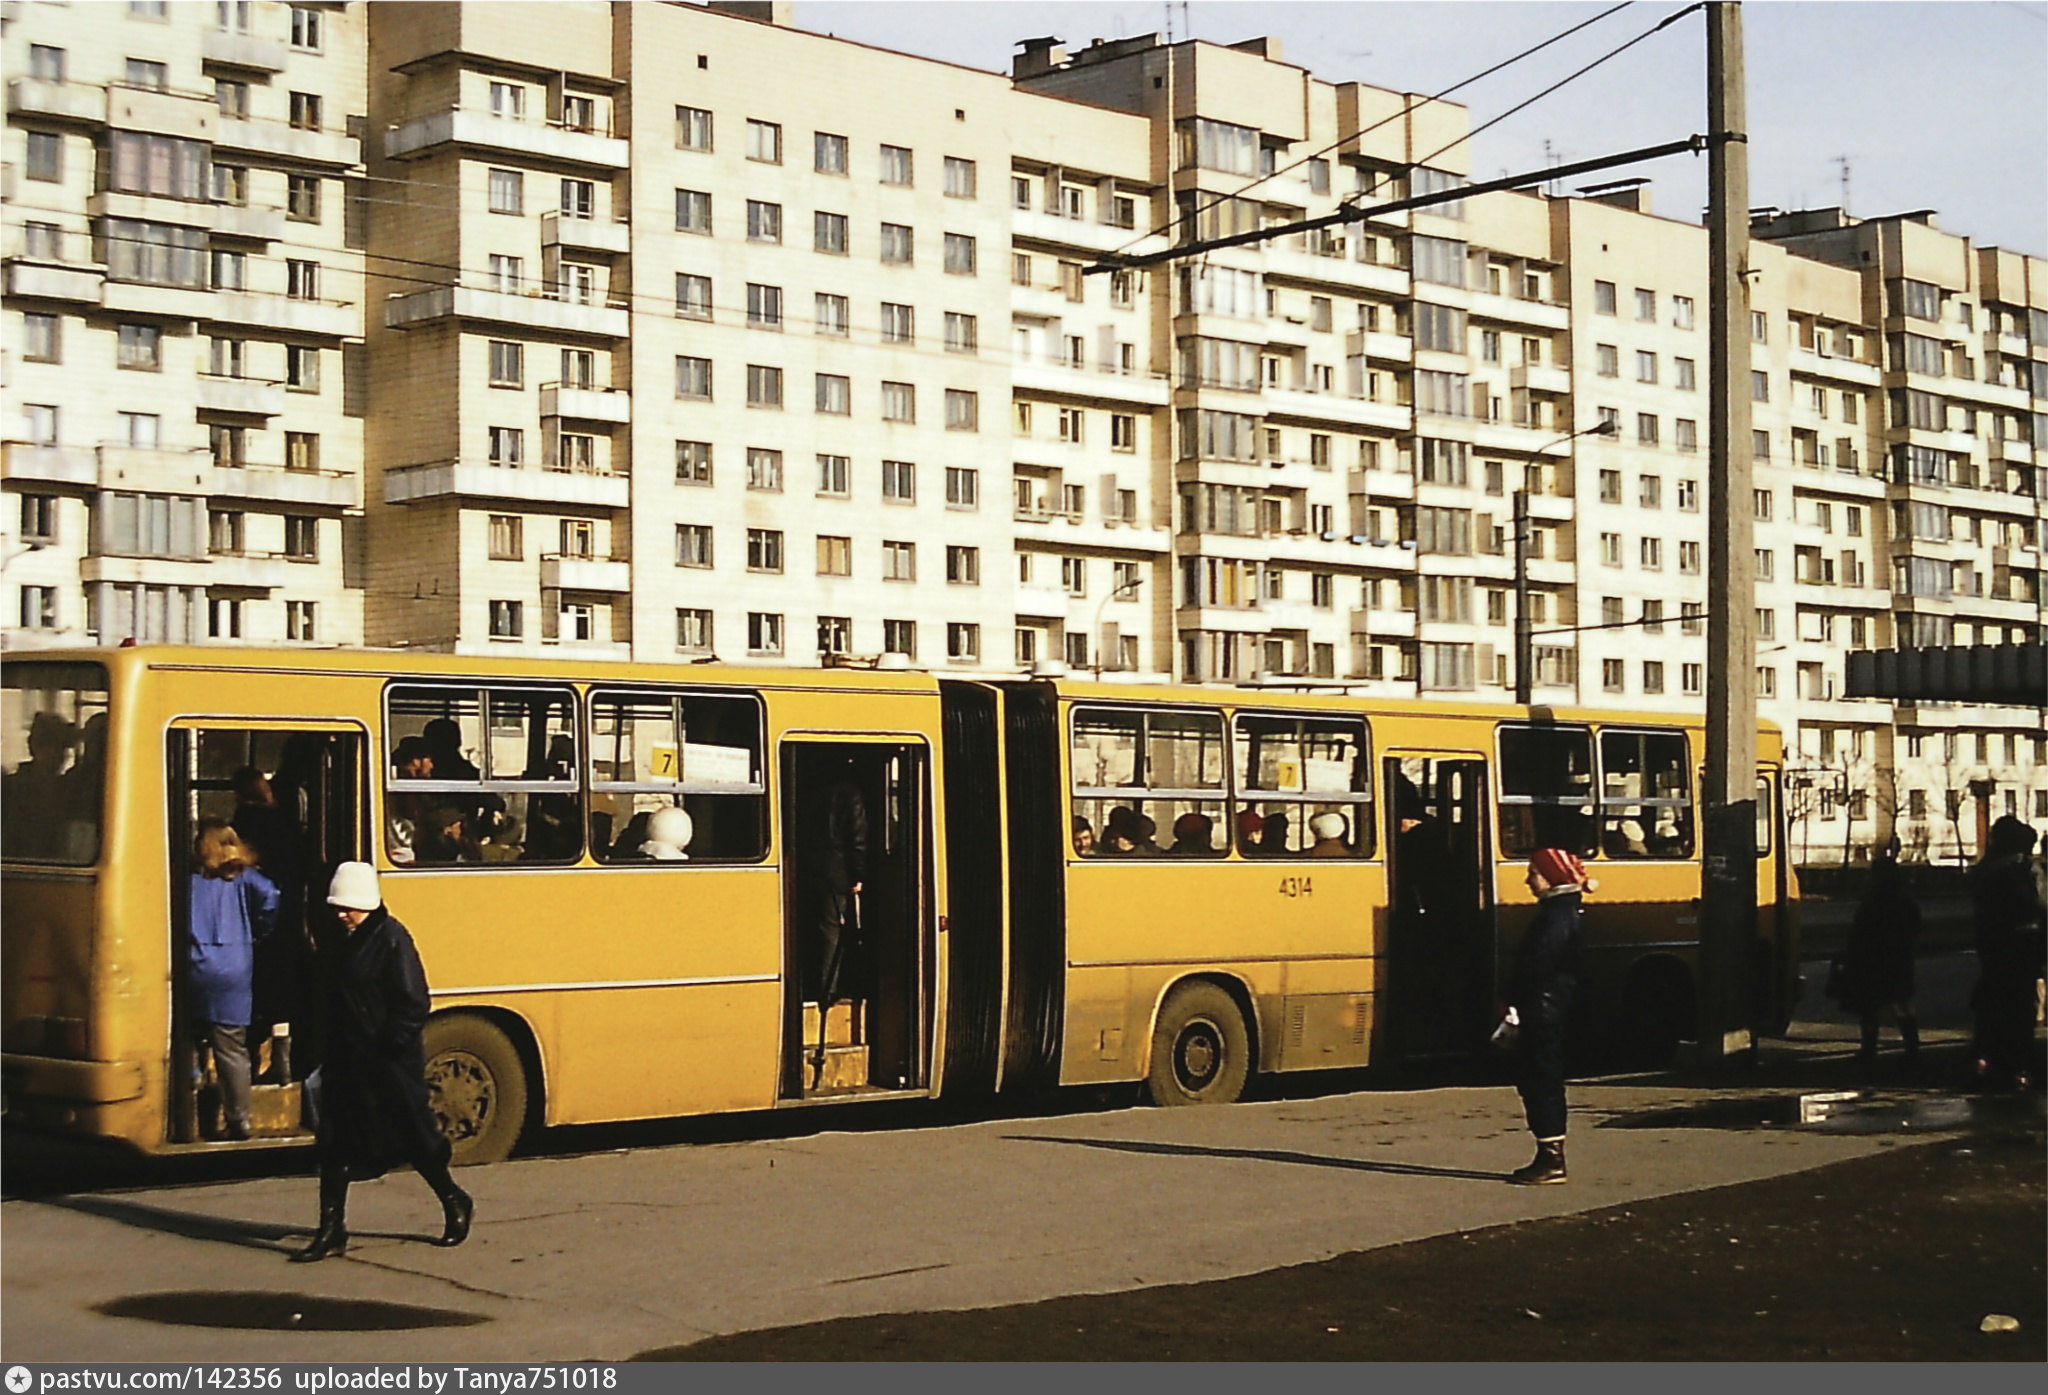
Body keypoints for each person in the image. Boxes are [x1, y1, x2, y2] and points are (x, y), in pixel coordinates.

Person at [293, 862, 472, 1262]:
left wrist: (388, 1045)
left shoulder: (392, 939)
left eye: (347, 907)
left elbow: (413, 1003)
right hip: (347, 1059)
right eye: (337, 906)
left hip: (388, 1061)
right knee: (334, 1145)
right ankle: (331, 1228)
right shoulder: (343, 938)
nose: (340, 913)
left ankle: (453, 1199)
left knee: (413, 1137)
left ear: (366, 905)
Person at [1502, 846, 1592, 1185]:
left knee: (1541, 1079)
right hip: (1549, 1006)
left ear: (1551, 877)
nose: (1528, 880)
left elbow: (1537, 967)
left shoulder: (1555, 917)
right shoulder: (1564, 911)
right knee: (1541, 1078)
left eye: (1533, 873)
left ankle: (1551, 1159)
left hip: (1543, 1009)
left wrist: (1511, 998)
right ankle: (1548, 1155)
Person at [187, 819, 280, 1140]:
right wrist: (258, 930)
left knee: (185, 1034)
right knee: (232, 1048)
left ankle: (194, 1082)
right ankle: (239, 1119)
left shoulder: (191, 878)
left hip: (196, 963)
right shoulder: (244, 877)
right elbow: (271, 897)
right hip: (236, 966)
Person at [233, 766, 305, 1084]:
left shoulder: (244, 823)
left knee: (255, 996)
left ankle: (251, 1065)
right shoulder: (281, 822)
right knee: (282, 995)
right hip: (286, 917)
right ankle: (282, 1062)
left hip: (257, 922)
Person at [1970, 816, 2045, 1091]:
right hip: (2019, 953)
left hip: (1997, 952)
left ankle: (1989, 1061)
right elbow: (2033, 909)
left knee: (1995, 1008)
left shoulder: (1990, 872)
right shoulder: (2016, 874)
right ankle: (2015, 1064)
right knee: (2018, 1011)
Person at [1841, 845, 1921, 1062]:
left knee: (1870, 1007)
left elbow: (1860, 930)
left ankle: (1869, 1048)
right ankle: (1912, 1047)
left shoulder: (1873, 900)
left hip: (1874, 959)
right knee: (1902, 1004)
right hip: (1899, 958)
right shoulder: (1904, 898)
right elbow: (1915, 926)